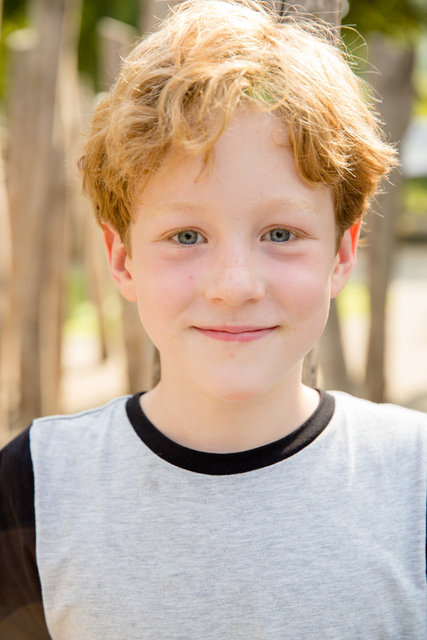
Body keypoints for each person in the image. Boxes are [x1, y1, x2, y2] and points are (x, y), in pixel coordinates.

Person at [1, 1, 426, 638]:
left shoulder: (415, 481)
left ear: (341, 254)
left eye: (280, 232)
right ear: (122, 259)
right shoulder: (34, 487)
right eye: (186, 235)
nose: (234, 286)